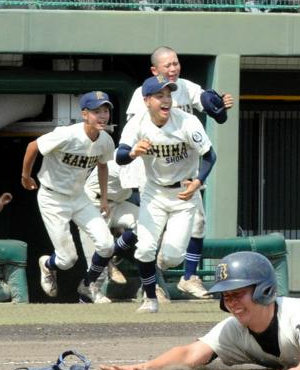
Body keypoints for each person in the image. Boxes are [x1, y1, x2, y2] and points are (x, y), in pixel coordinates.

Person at [100, 251, 300, 370]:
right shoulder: (233, 330)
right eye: (227, 296)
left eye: (238, 293)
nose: (232, 303)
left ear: (264, 290)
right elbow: (190, 353)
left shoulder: (295, 310)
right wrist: (144, 367)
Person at [126, 46, 234, 299]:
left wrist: (221, 106)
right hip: (153, 170)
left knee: (197, 224)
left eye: (176, 63)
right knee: (150, 234)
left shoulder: (186, 87)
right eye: (167, 65)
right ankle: (146, 283)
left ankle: (188, 277)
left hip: (184, 170)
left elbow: (215, 112)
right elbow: (137, 131)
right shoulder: (142, 94)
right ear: (155, 70)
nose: (173, 69)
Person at [116, 74, 217, 313]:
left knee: (172, 258)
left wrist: (198, 181)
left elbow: (210, 156)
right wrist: (132, 153)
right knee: (144, 249)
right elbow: (120, 156)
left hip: (184, 193)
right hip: (154, 192)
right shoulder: (137, 123)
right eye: (160, 95)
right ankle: (150, 298)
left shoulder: (187, 122)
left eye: (169, 95)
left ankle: (159, 263)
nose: (166, 100)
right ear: (146, 100)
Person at [21, 91, 117, 302]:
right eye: (96, 111)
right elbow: (32, 146)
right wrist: (25, 176)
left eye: (105, 111)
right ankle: (47, 264)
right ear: (84, 114)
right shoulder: (67, 134)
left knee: (107, 244)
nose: (102, 116)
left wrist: (103, 198)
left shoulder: (106, 140)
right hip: (52, 198)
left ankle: (88, 284)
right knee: (67, 259)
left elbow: (103, 165)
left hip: (79, 197)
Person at [77, 156, 138, 303]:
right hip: (93, 204)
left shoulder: (144, 160)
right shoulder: (121, 158)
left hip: (116, 204)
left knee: (145, 223)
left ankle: (113, 252)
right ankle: (81, 309)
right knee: (99, 271)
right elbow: (142, 185)